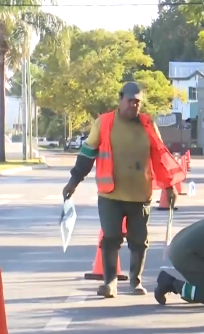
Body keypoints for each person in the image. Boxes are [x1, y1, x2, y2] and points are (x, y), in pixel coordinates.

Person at [63, 82, 185, 298]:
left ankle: (135, 282)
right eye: (130, 101)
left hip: (140, 195)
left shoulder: (148, 124)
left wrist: (169, 187)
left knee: (139, 240)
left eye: (137, 102)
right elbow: (86, 155)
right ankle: (109, 282)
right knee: (111, 237)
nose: (134, 106)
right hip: (111, 194)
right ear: (121, 100)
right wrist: (74, 181)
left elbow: (159, 158)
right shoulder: (104, 123)